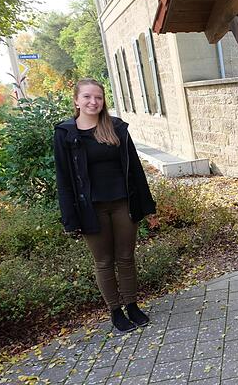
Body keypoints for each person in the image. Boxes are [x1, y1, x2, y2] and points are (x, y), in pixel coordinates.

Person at [54, 79, 156, 333]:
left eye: (98, 97)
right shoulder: (66, 134)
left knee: (126, 257)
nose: (93, 102)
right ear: (76, 101)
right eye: (87, 97)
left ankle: (132, 305)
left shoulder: (116, 128)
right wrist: (70, 219)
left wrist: (147, 206)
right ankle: (115, 311)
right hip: (91, 209)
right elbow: (63, 178)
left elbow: (135, 169)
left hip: (123, 202)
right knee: (103, 261)